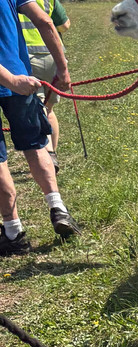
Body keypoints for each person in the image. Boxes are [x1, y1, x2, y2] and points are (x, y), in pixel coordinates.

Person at [0, 0, 77, 256]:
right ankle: (58, 208)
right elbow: (44, 21)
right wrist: (63, 68)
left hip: (15, 79)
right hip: (19, 78)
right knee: (36, 144)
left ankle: (14, 233)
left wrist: (10, 81)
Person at [19, 0, 68, 165]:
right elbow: (65, 25)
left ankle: (48, 155)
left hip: (27, 55)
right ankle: (53, 152)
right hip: (52, 54)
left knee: (37, 108)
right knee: (49, 109)